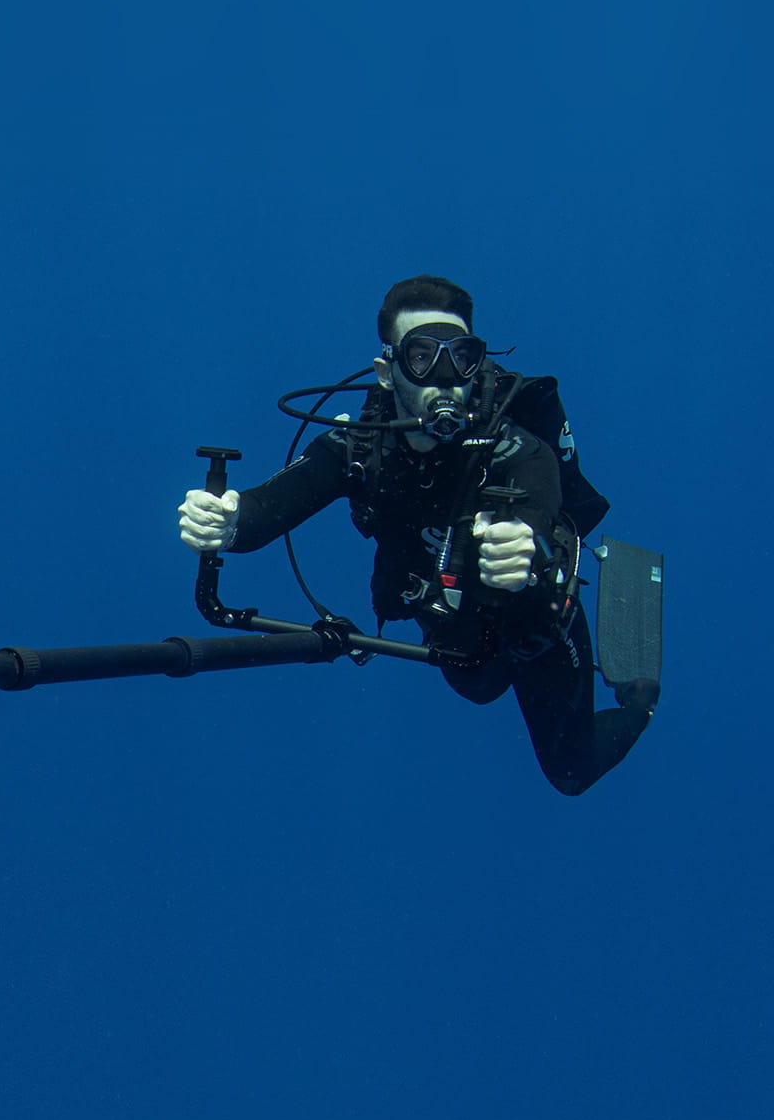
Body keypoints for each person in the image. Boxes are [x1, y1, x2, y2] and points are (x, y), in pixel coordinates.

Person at [177, 275, 658, 796]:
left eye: (464, 356)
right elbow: (262, 511)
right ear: (388, 371)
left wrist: (526, 550)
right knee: (476, 686)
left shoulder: (517, 450)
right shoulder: (357, 449)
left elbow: (539, 510)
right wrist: (225, 521)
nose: (446, 378)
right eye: (423, 357)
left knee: (572, 769)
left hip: (538, 629)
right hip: (455, 636)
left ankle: (640, 695)